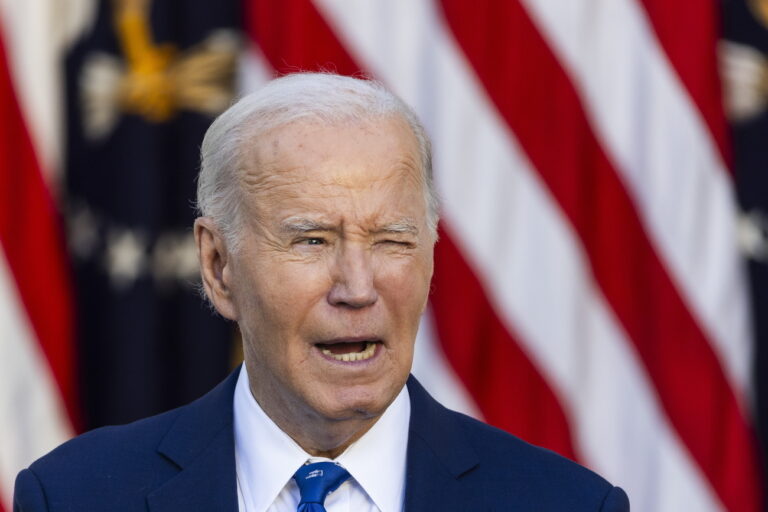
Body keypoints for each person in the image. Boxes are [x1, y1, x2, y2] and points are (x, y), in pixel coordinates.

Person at [14, 73, 629, 511]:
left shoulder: (566, 503)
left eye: (392, 240)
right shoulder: (76, 495)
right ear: (218, 264)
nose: (358, 288)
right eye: (311, 240)